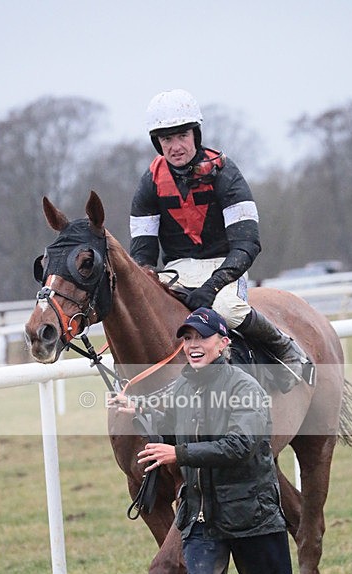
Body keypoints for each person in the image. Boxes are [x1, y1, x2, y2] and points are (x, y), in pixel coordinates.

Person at [111, 307, 299, 574]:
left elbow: (240, 445)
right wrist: (133, 407)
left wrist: (178, 454)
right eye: (188, 338)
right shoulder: (183, 386)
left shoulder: (246, 388)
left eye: (202, 337)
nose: (193, 345)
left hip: (253, 516)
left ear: (223, 343)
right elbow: (163, 413)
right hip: (201, 518)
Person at [130, 88, 308, 392]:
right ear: (157, 142)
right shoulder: (150, 182)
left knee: (227, 309)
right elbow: (142, 256)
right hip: (176, 271)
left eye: (182, 136)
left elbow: (248, 244)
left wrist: (211, 287)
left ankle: (284, 347)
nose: (175, 146)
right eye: (167, 139)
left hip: (224, 266)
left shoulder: (225, 172)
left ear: (195, 135)